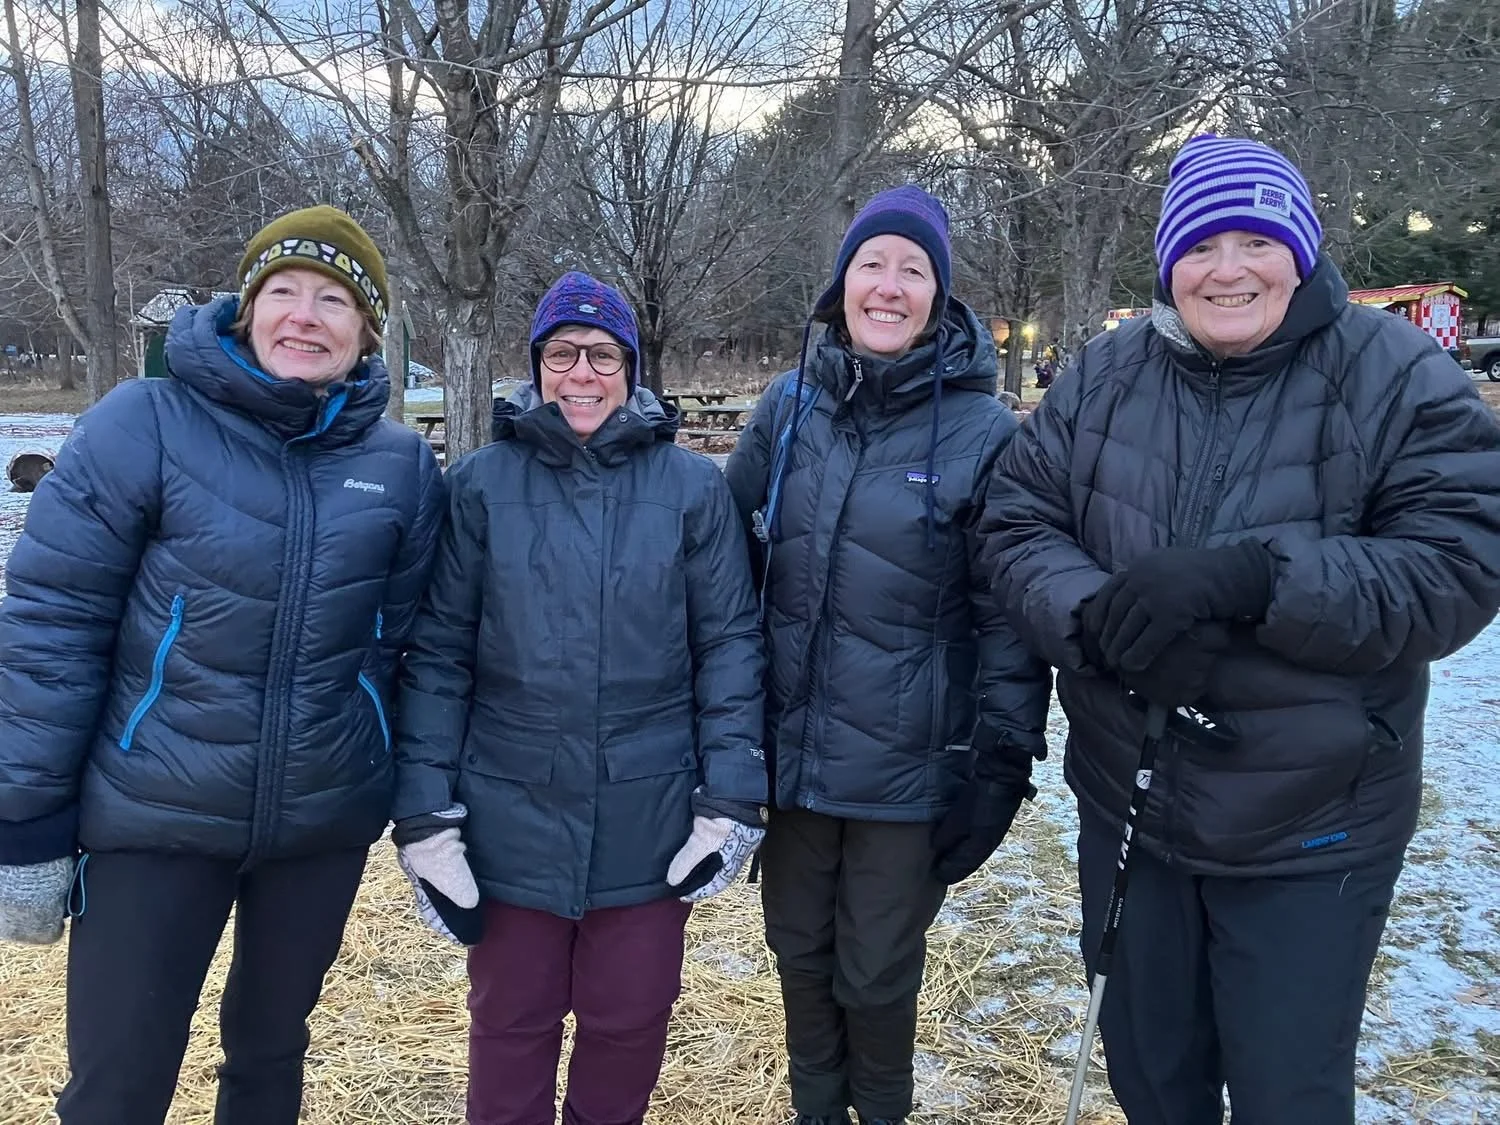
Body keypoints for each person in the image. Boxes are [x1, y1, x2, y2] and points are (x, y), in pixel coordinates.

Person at [979, 135, 1500, 1124]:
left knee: (1285, 1095)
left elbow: (1458, 565)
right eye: (1202, 244)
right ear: (1170, 261)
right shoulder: (1103, 374)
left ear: (1299, 252)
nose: (1228, 269)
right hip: (1132, 798)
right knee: (1154, 1082)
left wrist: (1260, 578)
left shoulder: (1394, 376)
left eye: (1256, 240)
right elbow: (1017, 521)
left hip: (1312, 821)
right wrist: (1095, 617)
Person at [0, 205, 445, 1124]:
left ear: (367, 329)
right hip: (151, 817)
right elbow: (51, 624)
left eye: (334, 299)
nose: (304, 316)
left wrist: (408, 796)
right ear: (246, 308)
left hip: (318, 826)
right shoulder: (144, 423)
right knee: (118, 1082)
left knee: (272, 1060)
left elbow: (407, 646)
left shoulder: (400, 464)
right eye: (282, 291)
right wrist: (28, 817)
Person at [392, 272, 768, 1125]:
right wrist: (424, 812)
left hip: (651, 812)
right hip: (509, 806)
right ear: (535, 367)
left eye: (602, 354)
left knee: (629, 1020)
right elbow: (441, 653)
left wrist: (731, 792)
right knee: (510, 1022)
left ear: (631, 368)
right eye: (562, 354)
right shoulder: (482, 486)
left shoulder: (691, 490)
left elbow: (729, 645)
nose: (582, 374)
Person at [724, 186, 1052, 1125]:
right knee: (799, 957)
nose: (890, 286)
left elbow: (1007, 610)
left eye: (914, 270)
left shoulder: (985, 433)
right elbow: (717, 554)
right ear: (842, 284)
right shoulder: (787, 406)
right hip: (787, 758)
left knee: (874, 977)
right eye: (874, 264)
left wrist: (1001, 756)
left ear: (939, 297)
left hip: (908, 767)